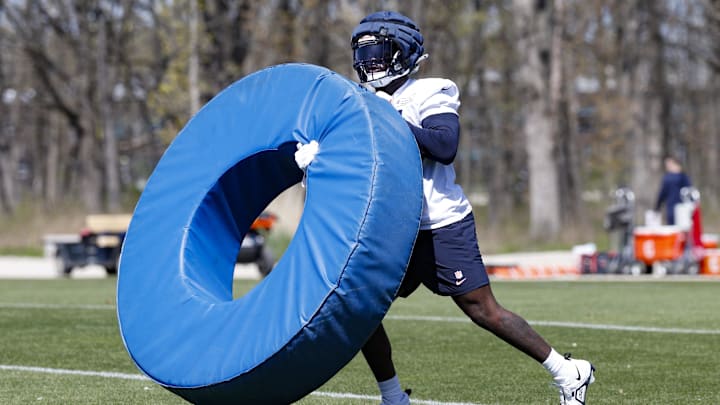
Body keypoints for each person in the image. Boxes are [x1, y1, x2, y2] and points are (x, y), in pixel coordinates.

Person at [350, 11, 595, 405]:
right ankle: (393, 398)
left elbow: (445, 147)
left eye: (378, 52)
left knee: (483, 311)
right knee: (359, 307)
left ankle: (569, 372)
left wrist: (387, 117)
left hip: (440, 223)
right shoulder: (363, 101)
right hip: (394, 228)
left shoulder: (428, 92)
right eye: (363, 56)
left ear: (402, 53)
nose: (369, 63)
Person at [654, 155, 692, 225]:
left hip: (681, 208)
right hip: (672, 208)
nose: (668, 166)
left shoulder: (682, 177)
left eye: (669, 164)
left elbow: (689, 193)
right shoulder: (668, 178)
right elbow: (662, 194)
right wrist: (657, 206)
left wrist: (657, 206)